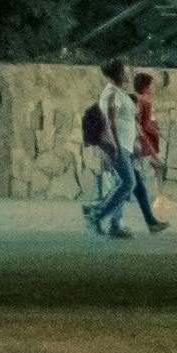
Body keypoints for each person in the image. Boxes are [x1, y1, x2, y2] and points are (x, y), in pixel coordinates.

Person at [76, 66, 128, 235]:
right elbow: (110, 124)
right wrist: (115, 147)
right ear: (118, 75)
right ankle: (98, 214)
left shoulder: (116, 93)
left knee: (122, 184)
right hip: (114, 147)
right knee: (127, 183)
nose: (128, 74)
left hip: (117, 146)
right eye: (125, 71)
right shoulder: (112, 94)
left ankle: (108, 219)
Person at [119, 68, 170, 232]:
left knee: (135, 186)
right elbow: (141, 127)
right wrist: (151, 148)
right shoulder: (142, 101)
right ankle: (103, 215)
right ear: (146, 86)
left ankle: (151, 222)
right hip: (134, 147)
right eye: (151, 85)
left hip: (131, 147)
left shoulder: (135, 100)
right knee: (128, 186)